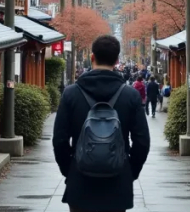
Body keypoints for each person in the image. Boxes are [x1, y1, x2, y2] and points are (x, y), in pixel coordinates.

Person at [52, 35, 150, 212]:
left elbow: (59, 139)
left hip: (80, 183)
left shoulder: (71, 94)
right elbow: (142, 142)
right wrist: (129, 171)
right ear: (117, 60)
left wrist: (71, 169)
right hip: (118, 183)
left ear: (92, 57)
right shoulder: (130, 96)